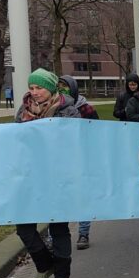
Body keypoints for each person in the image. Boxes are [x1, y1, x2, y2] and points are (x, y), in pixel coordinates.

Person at [14, 68, 80, 278]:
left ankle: (62, 277)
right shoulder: (23, 111)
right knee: (23, 227)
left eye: (39, 88)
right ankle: (44, 265)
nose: (34, 92)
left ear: (51, 89)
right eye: (31, 88)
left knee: (58, 227)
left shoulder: (68, 111)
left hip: (58, 178)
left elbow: (74, 142)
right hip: (31, 177)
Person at [57, 75, 99, 250]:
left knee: (83, 196)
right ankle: (56, 235)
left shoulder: (86, 109)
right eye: (59, 86)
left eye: (65, 86)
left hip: (82, 158)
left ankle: (83, 232)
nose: (62, 89)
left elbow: (97, 131)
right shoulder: (54, 108)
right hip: (60, 161)